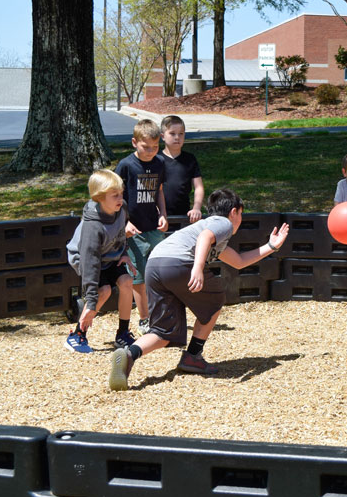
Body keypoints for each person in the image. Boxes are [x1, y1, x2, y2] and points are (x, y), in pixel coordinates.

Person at [107, 189, 289, 391]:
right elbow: (205, 236)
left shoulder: (213, 233)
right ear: (234, 212)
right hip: (178, 263)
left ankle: (129, 354)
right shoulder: (222, 223)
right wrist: (197, 267)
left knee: (163, 330)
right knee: (215, 299)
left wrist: (271, 246)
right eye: (241, 215)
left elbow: (238, 261)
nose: (240, 220)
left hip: (155, 264)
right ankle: (193, 356)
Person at [64, 170, 137, 353]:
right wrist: (91, 299)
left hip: (110, 255)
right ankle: (78, 334)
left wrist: (124, 252)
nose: (120, 198)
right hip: (86, 259)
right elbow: (90, 262)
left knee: (127, 282)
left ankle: (123, 334)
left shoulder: (121, 209)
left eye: (121, 193)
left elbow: (121, 233)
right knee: (102, 291)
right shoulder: (93, 226)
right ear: (99, 197)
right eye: (115, 196)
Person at [115, 119, 168, 334]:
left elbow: (160, 190)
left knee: (157, 272)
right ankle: (144, 319)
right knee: (137, 278)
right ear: (134, 143)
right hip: (133, 229)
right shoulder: (126, 165)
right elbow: (116, 196)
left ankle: (159, 313)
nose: (151, 151)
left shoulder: (159, 163)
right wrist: (124, 222)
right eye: (146, 147)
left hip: (153, 227)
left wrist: (163, 213)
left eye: (155, 147)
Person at [160, 115, 205, 223]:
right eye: (172, 133)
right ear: (162, 136)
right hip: (159, 216)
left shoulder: (190, 159)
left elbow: (198, 187)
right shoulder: (156, 159)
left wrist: (196, 208)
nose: (177, 137)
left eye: (181, 133)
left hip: (183, 216)